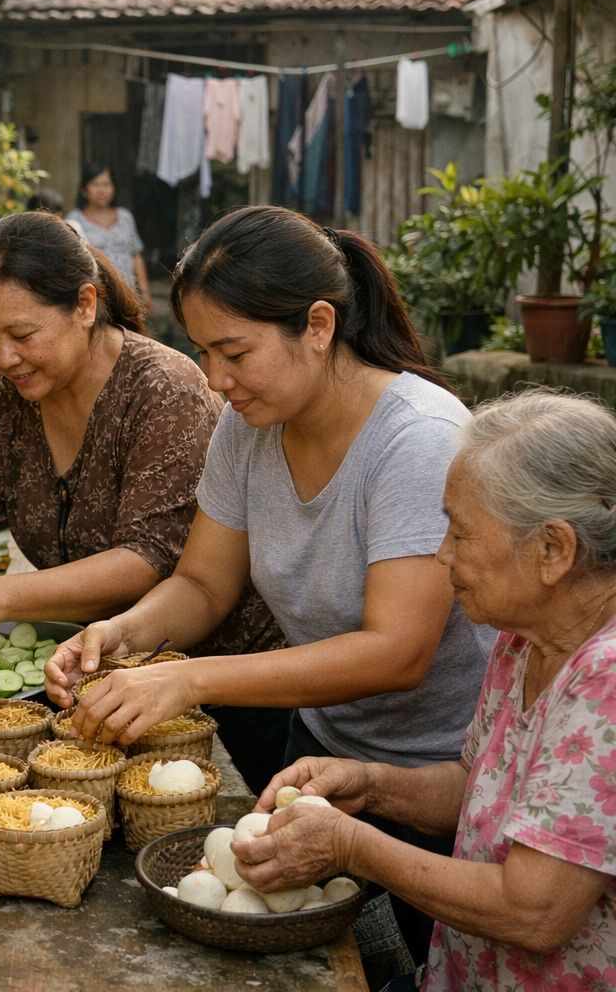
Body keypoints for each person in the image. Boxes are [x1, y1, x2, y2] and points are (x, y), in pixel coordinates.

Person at [44, 205, 495, 960]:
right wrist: (124, 634)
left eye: (234, 352)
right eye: (201, 352)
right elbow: (202, 585)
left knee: (436, 963)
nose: (216, 381)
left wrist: (188, 682)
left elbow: (397, 651)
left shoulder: (417, 440)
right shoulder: (248, 426)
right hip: (325, 751)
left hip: (440, 778)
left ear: (318, 326)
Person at [0, 211, 282, 776]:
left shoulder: (161, 389)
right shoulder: (7, 397)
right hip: (91, 677)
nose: (4, 357)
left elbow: (149, 560)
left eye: (23, 335)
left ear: (85, 306)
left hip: (216, 687)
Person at [233, 390, 616, 992]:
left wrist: (350, 846)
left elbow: (535, 911)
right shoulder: (525, 638)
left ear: (553, 549)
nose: (442, 556)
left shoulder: (605, 681)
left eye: (461, 535)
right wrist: (370, 784)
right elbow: (479, 788)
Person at [66, 163, 153, 312]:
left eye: (106, 184)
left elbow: (136, 255)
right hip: (95, 298)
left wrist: (145, 292)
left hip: (128, 296)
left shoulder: (125, 217)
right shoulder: (74, 220)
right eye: (95, 184)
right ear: (84, 190)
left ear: (113, 188)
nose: (101, 190)